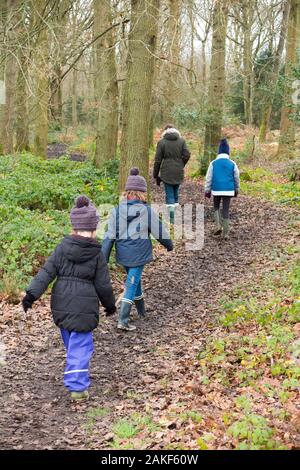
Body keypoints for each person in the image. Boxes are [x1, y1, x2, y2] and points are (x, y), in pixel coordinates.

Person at [22, 195, 116, 401]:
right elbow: (103, 284)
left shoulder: (61, 249)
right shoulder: (97, 254)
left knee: (72, 343)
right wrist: (109, 305)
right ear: (93, 230)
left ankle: (75, 371)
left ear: (74, 228)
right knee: (81, 347)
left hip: (61, 304)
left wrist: (31, 295)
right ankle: (77, 387)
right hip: (84, 307)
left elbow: (46, 273)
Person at [102, 167, 173, 332]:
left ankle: (141, 312)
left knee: (135, 280)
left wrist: (102, 258)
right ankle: (123, 320)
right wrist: (169, 244)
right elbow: (159, 231)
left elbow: (109, 237)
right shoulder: (146, 211)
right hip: (139, 254)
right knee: (131, 284)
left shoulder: (116, 211)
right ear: (141, 193)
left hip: (123, 254)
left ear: (127, 193)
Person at [153, 124, 191, 223]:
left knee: (169, 195)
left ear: (165, 131)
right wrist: (181, 163)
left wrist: (155, 175)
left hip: (166, 171)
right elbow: (187, 154)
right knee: (175, 194)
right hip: (178, 170)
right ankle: (176, 217)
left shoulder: (161, 142)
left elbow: (157, 160)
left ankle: (172, 220)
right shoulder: (181, 141)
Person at [204, 138, 240, 240]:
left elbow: (208, 177)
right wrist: (236, 188)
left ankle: (218, 226)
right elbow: (237, 177)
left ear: (219, 151)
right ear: (228, 151)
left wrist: (207, 190)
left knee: (216, 206)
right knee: (226, 209)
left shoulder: (213, 163)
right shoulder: (232, 163)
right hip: (229, 190)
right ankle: (226, 233)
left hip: (216, 189)